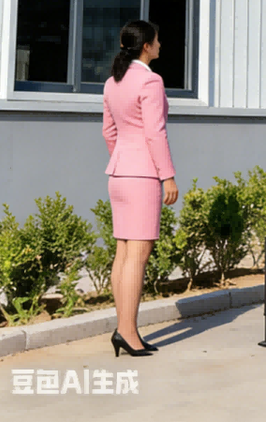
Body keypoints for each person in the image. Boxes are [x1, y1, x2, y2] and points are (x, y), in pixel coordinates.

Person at [102, 20, 179, 357]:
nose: (160, 44)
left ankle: (124, 330)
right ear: (146, 46)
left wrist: (122, 159)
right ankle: (128, 332)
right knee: (138, 255)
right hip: (143, 176)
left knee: (123, 252)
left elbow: (109, 132)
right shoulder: (150, 80)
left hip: (118, 173)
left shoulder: (111, 82)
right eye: (157, 40)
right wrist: (167, 176)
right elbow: (154, 132)